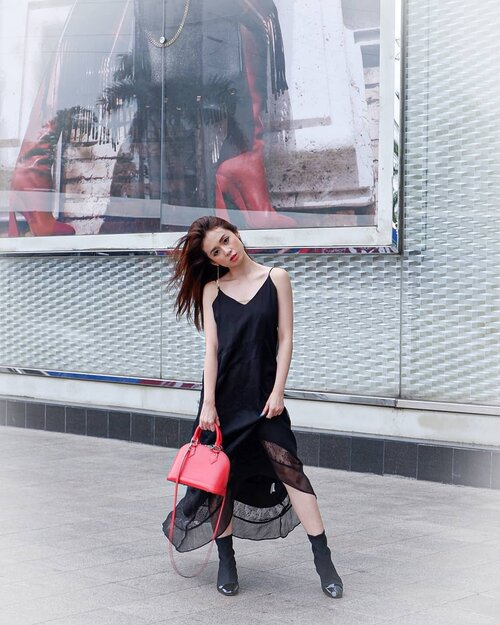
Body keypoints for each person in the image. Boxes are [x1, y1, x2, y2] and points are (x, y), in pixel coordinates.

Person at [162, 215, 343, 599]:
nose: (227, 251)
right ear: (210, 259)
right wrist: (208, 403)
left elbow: (287, 338)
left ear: (237, 234)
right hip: (223, 401)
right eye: (216, 251)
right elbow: (212, 350)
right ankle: (227, 562)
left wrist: (279, 392)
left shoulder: (277, 277)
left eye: (227, 240)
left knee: (292, 472)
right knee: (220, 483)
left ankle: (323, 558)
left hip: (264, 400)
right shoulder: (212, 290)